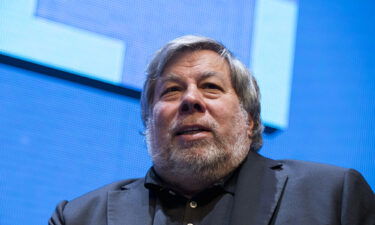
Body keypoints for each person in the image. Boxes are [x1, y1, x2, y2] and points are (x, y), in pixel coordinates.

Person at [49, 35, 374, 225]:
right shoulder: (79, 218)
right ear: (149, 123)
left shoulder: (334, 197)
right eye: (171, 90)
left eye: (211, 87)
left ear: (249, 121)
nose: (190, 99)